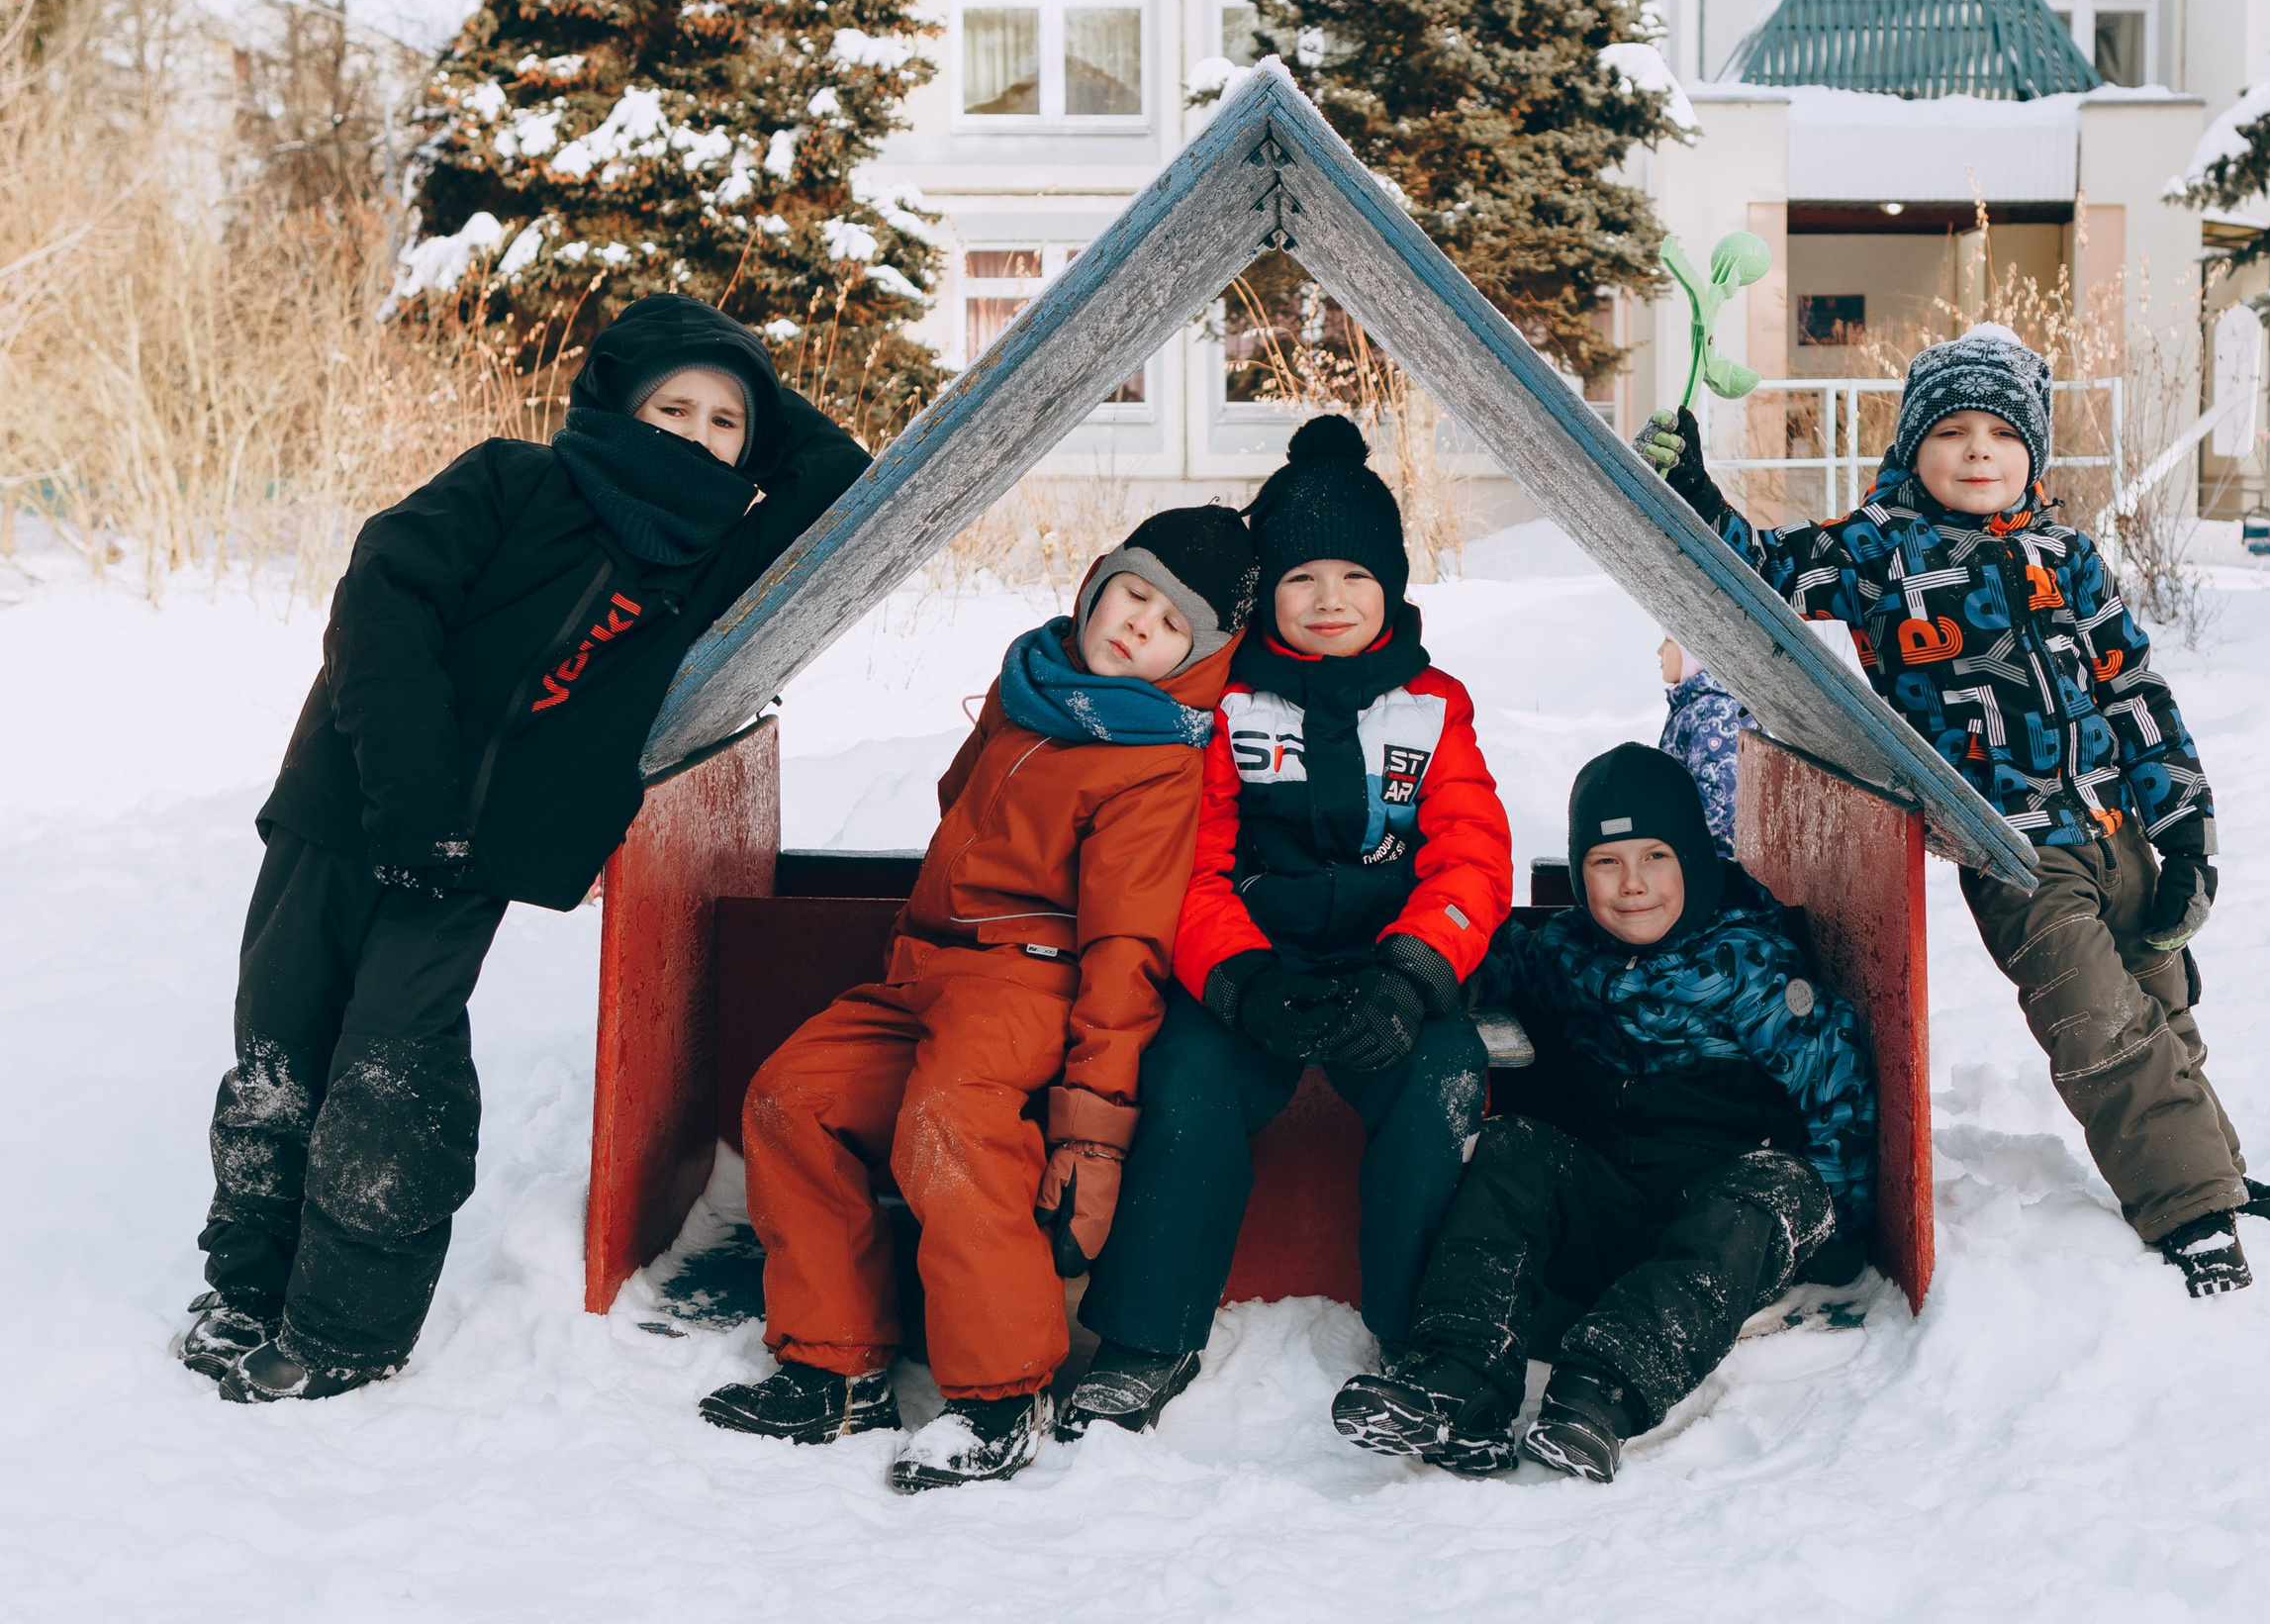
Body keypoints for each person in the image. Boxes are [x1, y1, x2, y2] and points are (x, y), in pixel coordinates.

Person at [183, 294, 873, 1402]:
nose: (694, 435)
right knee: (279, 1040)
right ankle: (244, 1284)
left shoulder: (708, 557)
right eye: (670, 405)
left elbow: (836, 473)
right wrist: (410, 801)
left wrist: (745, 374)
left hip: (475, 858)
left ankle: (347, 1326)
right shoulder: (512, 481)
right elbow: (383, 602)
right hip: (349, 801)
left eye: (724, 423)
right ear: (613, 403)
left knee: (390, 1065)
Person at [1635, 323, 2270, 1295]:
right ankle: (2187, 1205)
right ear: (1911, 451)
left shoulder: (2069, 557)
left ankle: (2214, 1171)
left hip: (2117, 832)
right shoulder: (1877, 550)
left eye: (2001, 431)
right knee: (2095, 1020)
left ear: (2031, 451)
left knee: (2161, 1007)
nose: (1978, 449)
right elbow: (1757, 569)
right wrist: (1693, 493)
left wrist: (2185, 833)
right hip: (2011, 853)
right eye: (1951, 433)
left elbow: (2133, 693)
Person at [698, 508, 1259, 1493]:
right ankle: (837, 1366)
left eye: (1172, 624)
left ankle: (1001, 1398)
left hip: (1026, 978)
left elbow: (1128, 946)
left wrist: (1093, 1130)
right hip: (922, 966)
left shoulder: (1156, 762)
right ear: (1096, 583)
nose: (1138, 626)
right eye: (1133, 593)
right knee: (793, 1096)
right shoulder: (1031, 684)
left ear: (1196, 656)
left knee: (948, 1123)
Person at [1064, 416, 1515, 1438]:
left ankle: (1426, 1341)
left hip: (1387, 972)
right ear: (1267, 595)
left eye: (1354, 579)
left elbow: (1470, 857)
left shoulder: (1434, 707)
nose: (1328, 602)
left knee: (1441, 1080)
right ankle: (1148, 1333)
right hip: (1258, 972)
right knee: (1183, 1080)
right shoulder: (1222, 704)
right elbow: (1188, 862)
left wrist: (1411, 977)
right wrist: (1239, 980)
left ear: (1390, 589)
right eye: (1302, 579)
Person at [1331, 743, 1873, 1481]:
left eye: (1655, 856)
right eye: (1605, 862)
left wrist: (1829, 1228)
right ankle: (1459, 1376)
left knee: (1775, 1185)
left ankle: (1601, 1392)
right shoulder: (1571, 951)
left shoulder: (1754, 969)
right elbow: (1498, 955)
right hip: (1618, 1203)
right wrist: (1428, 976)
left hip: (1725, 1225)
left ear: (1693, 858)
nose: (1633, 886)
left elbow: (1842, 1100)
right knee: (1514, 1147)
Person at [1655, 636, 1752, 858]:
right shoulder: (1694, 706)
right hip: (1689, 856)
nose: (1659, 651)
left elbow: (1716, 803)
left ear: (1693, 649)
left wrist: (1658, 839)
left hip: (1713, 865)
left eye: (1669, 640)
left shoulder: (1720, 711)